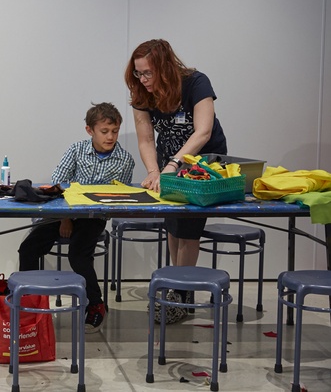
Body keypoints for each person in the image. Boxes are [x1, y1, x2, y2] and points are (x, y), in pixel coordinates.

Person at [125, 38, 227, 323]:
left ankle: (182, 293)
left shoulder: (196, 83)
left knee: (189, 225)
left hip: (203, 161)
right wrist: (153, 170)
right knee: (172, 222)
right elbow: (145, 138)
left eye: (148, 73)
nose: (142, 79)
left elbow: (203, 132)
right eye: (138, 73)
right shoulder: (141, 92)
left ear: (165, 67)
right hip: (168, 163)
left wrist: (173, 163)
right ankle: (178, 287)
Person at [17, 102, 134, 333]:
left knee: (79, 255)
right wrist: (65, 218)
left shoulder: (124, 159)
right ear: (89, 130)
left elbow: (118, 197)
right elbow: (58, 185)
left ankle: (95, 303)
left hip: (94, 217)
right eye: (104, 131)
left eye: (115, 131)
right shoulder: (76, 150)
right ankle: (31, 302)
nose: (110, 136)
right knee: (28, 248)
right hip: (64, 212)